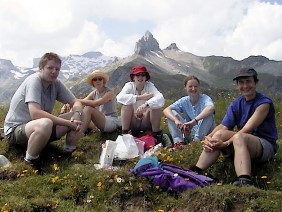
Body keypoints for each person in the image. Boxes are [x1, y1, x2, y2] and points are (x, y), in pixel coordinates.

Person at [190, 67, 278, 186]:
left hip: (264, 145)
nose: (245, 86)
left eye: (248, 81)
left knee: (239, 137)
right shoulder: (236, 103)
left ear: (255, 83)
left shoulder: (264, 103)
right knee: (219, 135)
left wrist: (226, 144)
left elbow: (248, 129)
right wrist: (208, 137)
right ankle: (196, 171)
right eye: (241, 83)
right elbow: (224, 126)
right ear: (237, 85)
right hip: (241, 144)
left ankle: (244, 179)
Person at [4, 52, 87, 170]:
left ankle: (68, 152)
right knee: (45, 122)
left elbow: (76, 102)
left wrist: (77, 115)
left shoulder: (56, 83)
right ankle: (30, 161)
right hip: (16, 130)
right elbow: (35, 114)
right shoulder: (34, 81)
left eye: (57, 69)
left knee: (81, 113)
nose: (54, 72)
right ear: (41, 68)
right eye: (50, 68)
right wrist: (68, 123)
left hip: (39, 128)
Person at [163, 75, 216, 149]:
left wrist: (194, 121)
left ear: (199, 87)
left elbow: (211, 108)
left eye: (196, 86)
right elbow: (166, 110)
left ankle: (195, 143)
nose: (193, 89)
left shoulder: (205, 99)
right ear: (185, 87)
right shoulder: (184, 100)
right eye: (190, 86)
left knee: (209, 115)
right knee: (172, 113)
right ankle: (178, 143)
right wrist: (176, 121)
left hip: (206, 132)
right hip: (190, 132)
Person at [116, 65, 165, 143]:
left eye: (143, 75)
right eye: (137, 75)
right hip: (132, 121)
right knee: (126, 106)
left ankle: (157, 135)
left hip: (145, 120)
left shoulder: (150, 86)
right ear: (133, 77)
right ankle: (124, 134)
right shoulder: (129, 86)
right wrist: (141, 97)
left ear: (146, 77)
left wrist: (147, 104)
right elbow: (119, 98)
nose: (140, 77)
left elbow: (160, 98)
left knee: (155, 106)